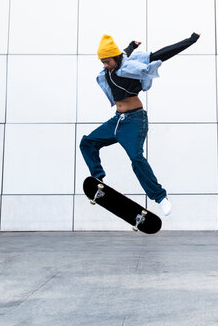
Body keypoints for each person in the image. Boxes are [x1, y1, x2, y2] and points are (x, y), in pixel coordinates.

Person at [80, 32, 201, 216]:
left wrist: (190, 40)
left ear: (115, 58)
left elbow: (161, 55)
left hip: (135, 120)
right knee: (87, 143)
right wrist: (131, 45)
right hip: (117, 121)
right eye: (103, 62)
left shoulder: (130, 66)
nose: (105, 66)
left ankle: (161, 197)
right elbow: (124, 51)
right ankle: (98, 179)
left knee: (136, 158)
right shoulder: (113, 65)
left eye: (108, 62)